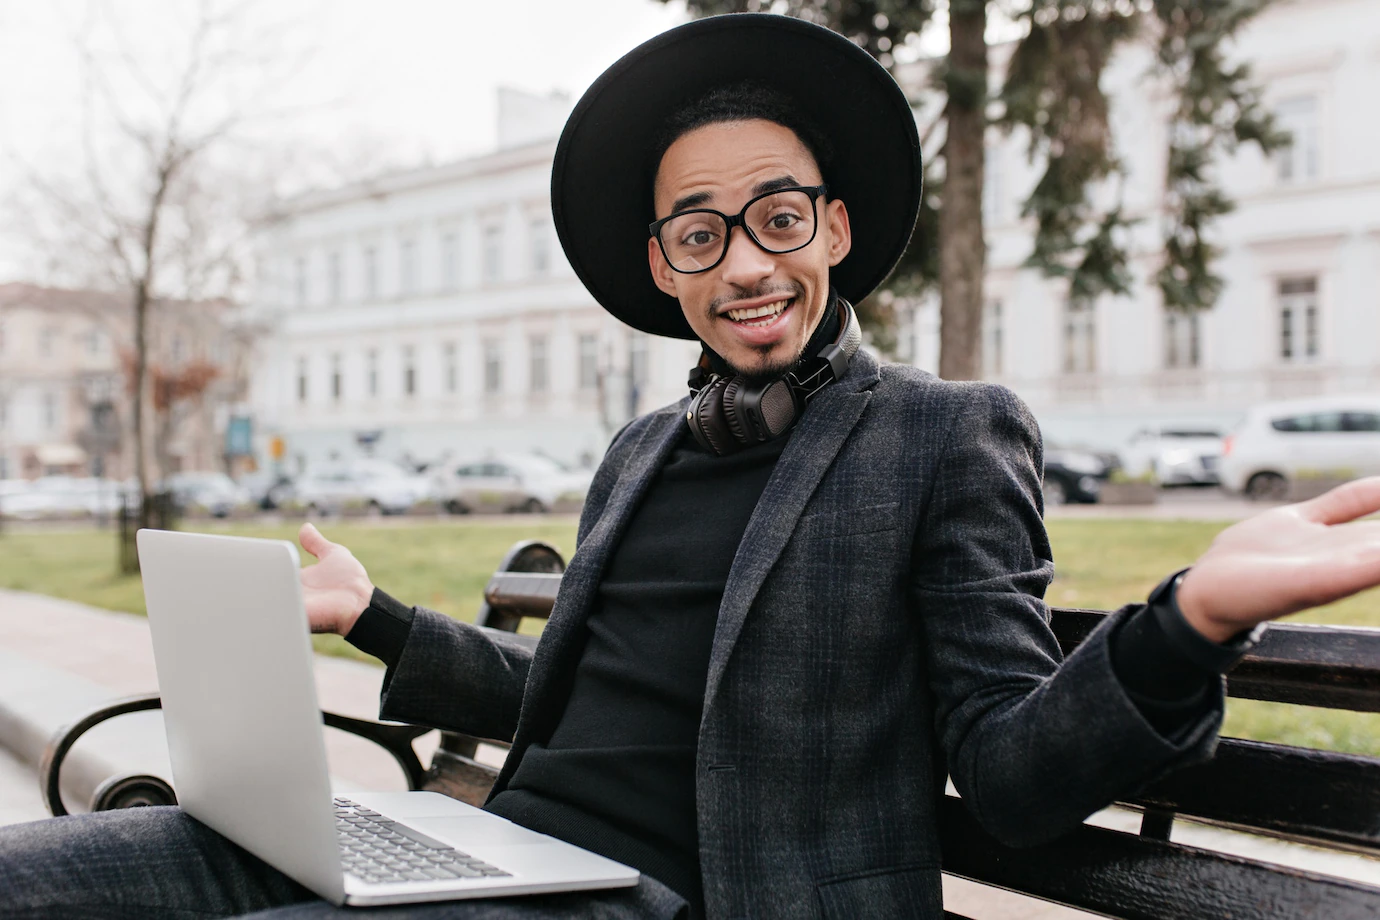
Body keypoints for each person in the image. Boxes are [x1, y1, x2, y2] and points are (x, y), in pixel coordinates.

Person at [4, 13, 1380, 920]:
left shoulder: (944, 436)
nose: (748, 261)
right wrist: (375, 616)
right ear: (666, 268)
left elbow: (1012, 776)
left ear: (832, 227)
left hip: (676, 896)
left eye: (778, 215)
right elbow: (565, 701)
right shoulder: (644, 449)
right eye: (701, 234)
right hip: (488, 858)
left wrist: (1188, 622)